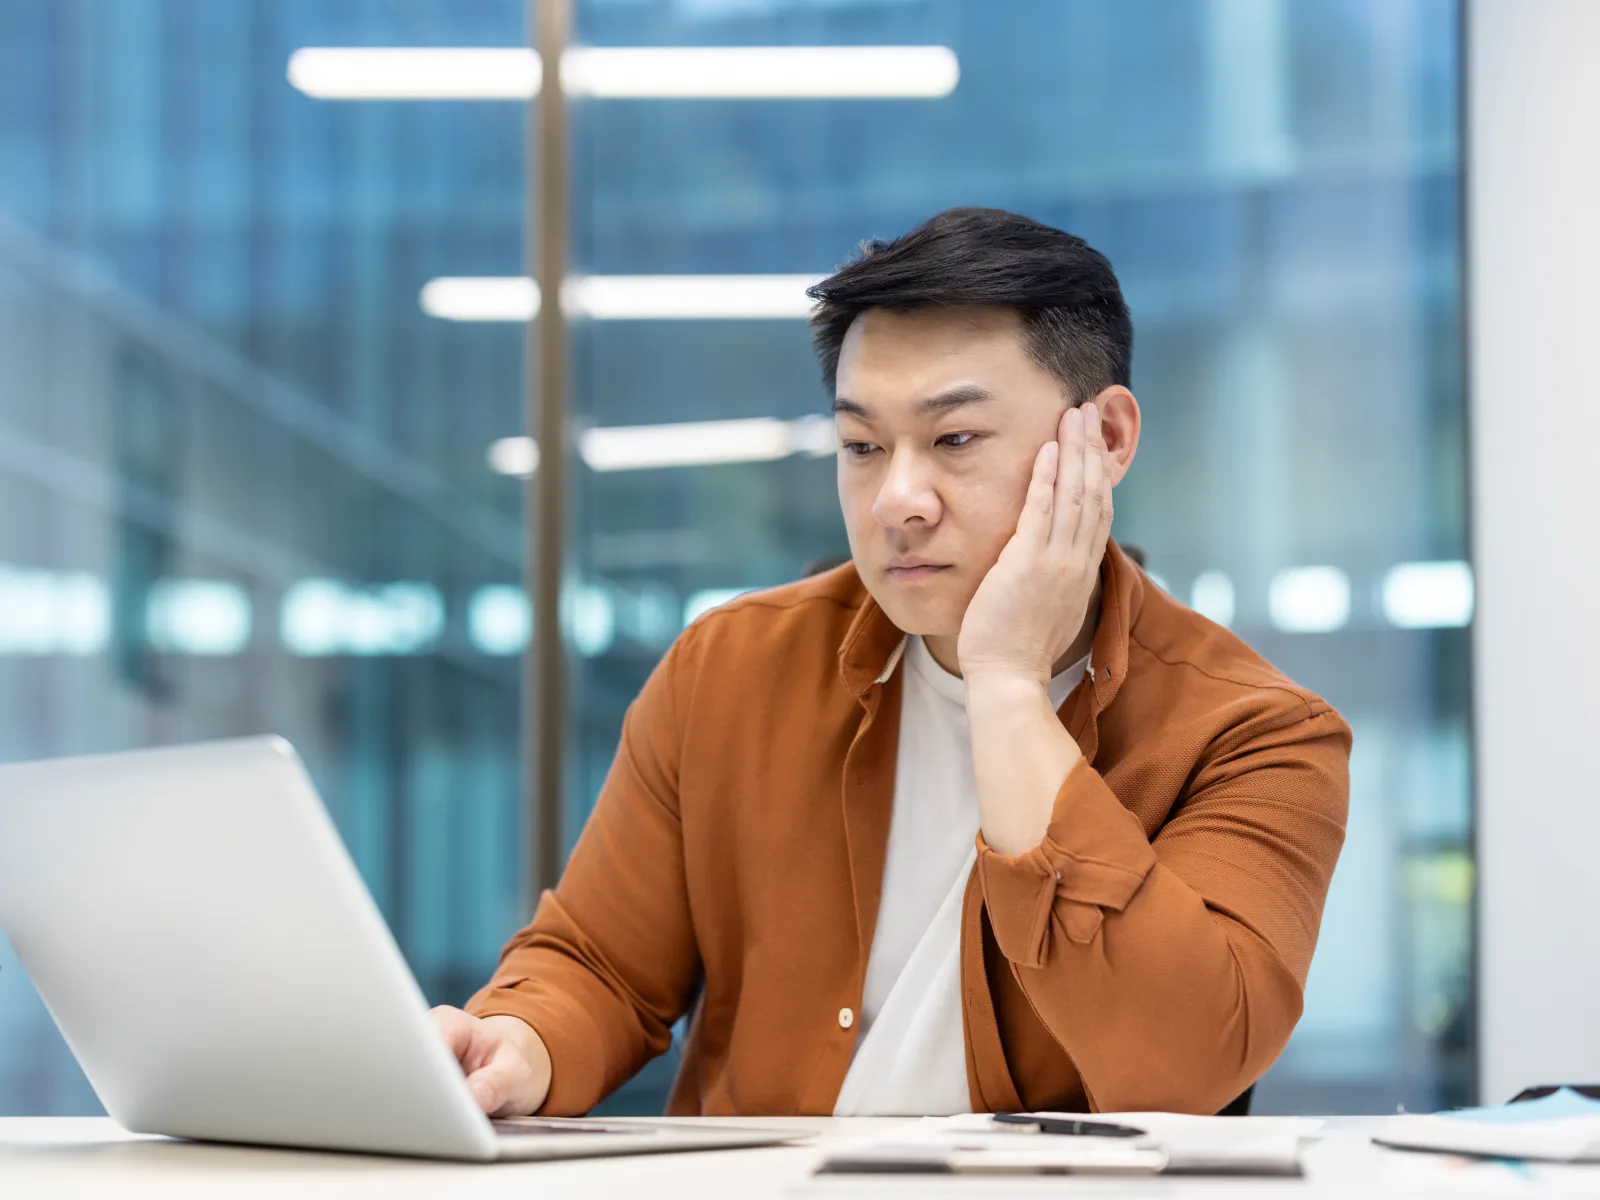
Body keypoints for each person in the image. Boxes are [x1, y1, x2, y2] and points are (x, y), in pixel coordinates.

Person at [431, 207, 1351, 1118]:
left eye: (954, 440)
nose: (896, 501)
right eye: (862, 447)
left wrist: (1006, 687)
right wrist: (519, 1047)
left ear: (1105, 439)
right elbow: (597, 965)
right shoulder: (730, 669)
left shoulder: (1260, 737)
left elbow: (1183, 1068)